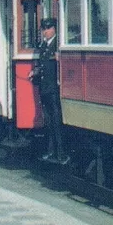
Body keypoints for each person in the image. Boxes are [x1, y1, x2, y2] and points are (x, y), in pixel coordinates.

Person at [30, 17, 68, 164]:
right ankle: (51, 152)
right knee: (49, 122)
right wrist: (35, 72)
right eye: (43, 29)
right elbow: (42, 66)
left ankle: (60, 153)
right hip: (45, 89)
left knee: (57, 122)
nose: (45, 32)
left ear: (54, 29)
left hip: (54, 90)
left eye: (47, 29)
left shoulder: (58, 45)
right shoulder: (44, 46)